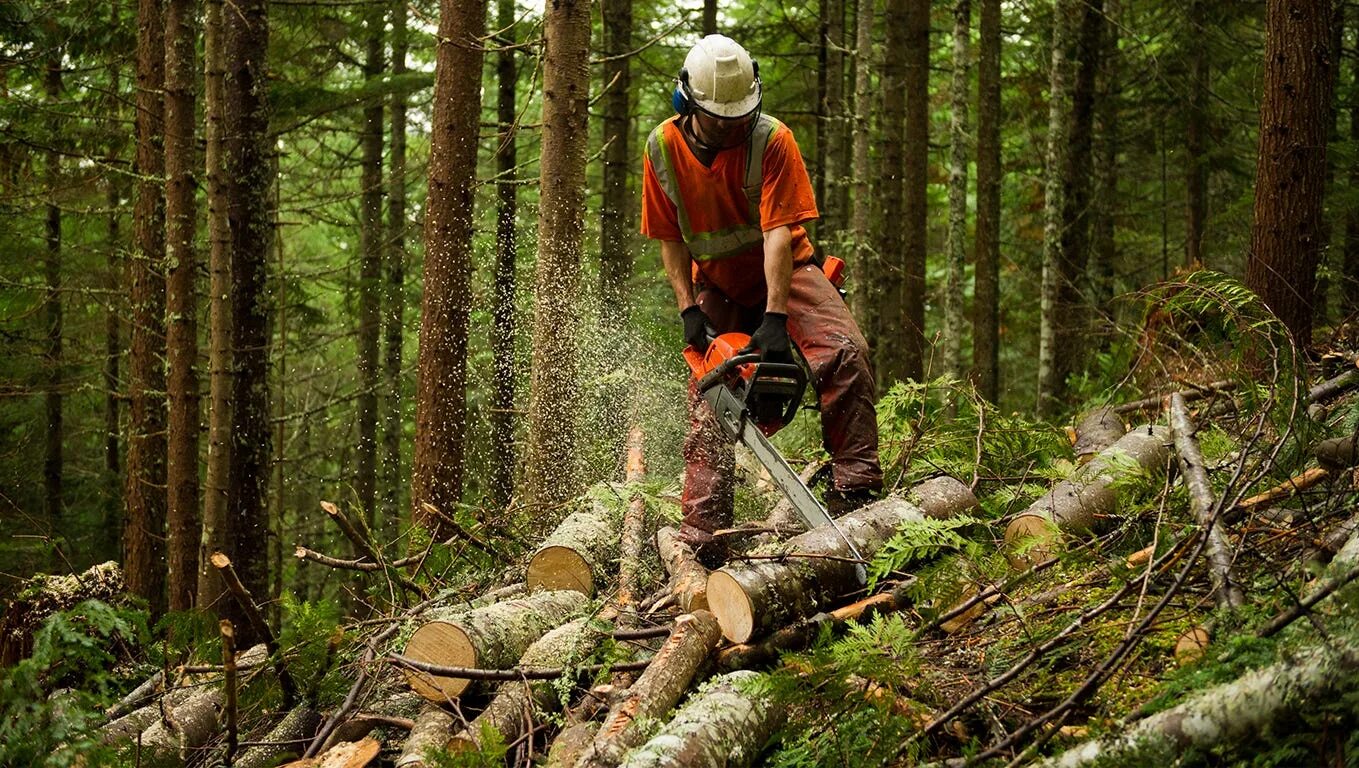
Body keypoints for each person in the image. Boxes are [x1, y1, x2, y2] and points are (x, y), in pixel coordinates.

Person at [640, 34, 883, 565]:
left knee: (845, 352)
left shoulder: (772, 140)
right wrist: (687, 308)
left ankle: (857, 491)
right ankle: (705, 535)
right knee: (711, 396)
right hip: (719, 283)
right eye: (720, 119)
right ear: (688, 104)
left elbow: (778, 234)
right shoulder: (661, 149)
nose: (732, 126)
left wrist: (774, 319)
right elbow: (670, 237)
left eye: (738, 117)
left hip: (787, 266)